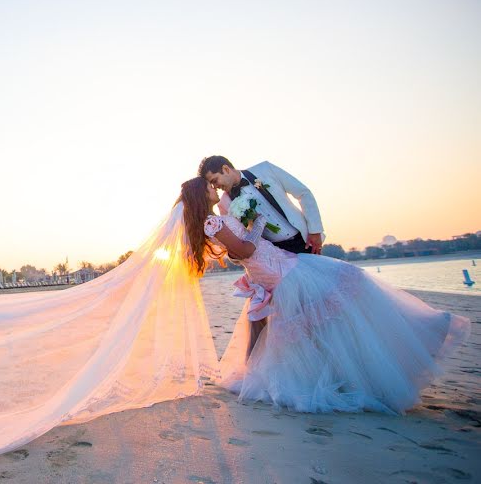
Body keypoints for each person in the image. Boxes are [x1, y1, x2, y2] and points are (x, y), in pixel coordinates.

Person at [177, 176, 470, 414]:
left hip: (283, 268)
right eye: (208, 186)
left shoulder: (219, 217)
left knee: (335, 312)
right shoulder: (213, 222)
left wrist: (254, 226)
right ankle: (397, 352)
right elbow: (245, 251)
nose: (213, 189)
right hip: (284, 274)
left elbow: (242, 250)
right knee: (340, 305)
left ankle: (407, 342)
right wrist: (258, 226)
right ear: (201, 195)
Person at [199, 155, 323, 355]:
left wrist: (315, 230)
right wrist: (239, 252)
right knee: (298, 313)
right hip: (277, 259)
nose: (216, 186)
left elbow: (303, 193)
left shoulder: (265, 170)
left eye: (215, 180)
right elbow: (238, 244)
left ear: (226, 168)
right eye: (212, 184)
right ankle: (309, 357)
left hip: (306, 241)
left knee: (322, 302)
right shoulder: (224, 205)